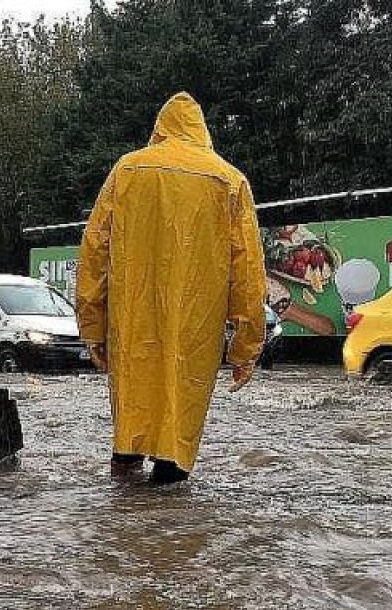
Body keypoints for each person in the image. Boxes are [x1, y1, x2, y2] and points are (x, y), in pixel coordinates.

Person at [76, 92, 267, 484]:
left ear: (160, 129)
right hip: (196, 331)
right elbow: (247, 270)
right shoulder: (230, 181)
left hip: (132, 328)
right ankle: (170, 534)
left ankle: (120, 528)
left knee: (129, 429)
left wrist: (92, 330)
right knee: (178, 438)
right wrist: (246, 345)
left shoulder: (127, 171)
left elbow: (94, 252)